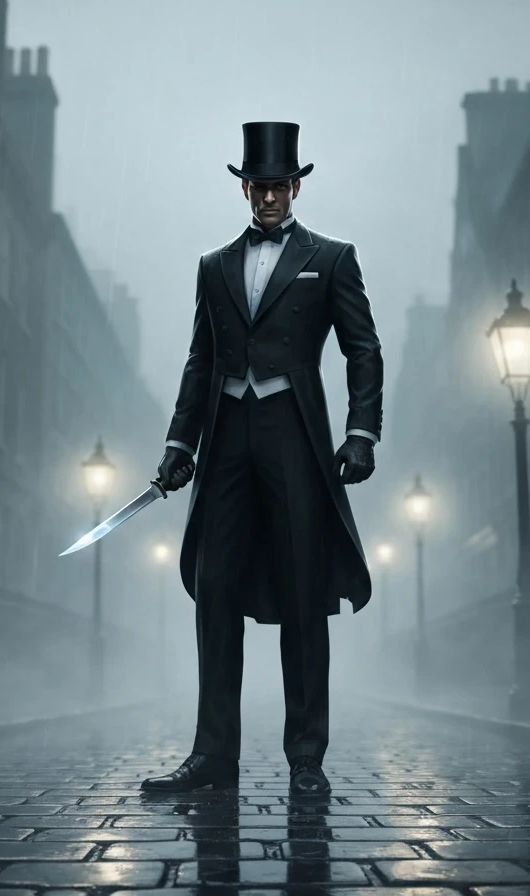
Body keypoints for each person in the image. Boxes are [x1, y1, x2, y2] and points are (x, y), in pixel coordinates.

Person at [141, 122, 383, 796]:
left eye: (280, 186)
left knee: (303, 594)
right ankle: (213, 756)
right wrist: (178, 445)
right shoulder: (213, 267)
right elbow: (200, 360)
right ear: (245, 189)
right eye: (259, 186)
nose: (269, 196)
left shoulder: (332, 258)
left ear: (295, 186)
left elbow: (363, 349)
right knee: (215, 592)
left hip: (293, 438)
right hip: (224, 443)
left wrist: (362, 434)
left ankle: (306, 759)